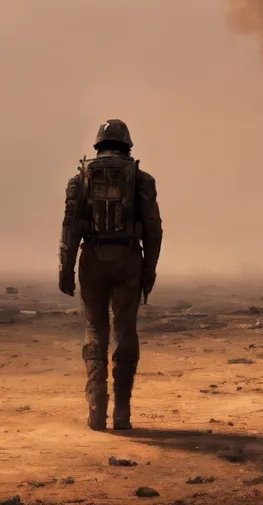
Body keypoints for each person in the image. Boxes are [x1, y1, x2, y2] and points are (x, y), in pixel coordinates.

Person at [58, 118, 163, 432]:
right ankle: (122, 412)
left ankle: (96, 406)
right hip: (129, 258)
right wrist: (149, 271)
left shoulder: (79, 180)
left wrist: (65, 267)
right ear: (127, 146)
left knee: (94, 329)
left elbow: (70, 228)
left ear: (98, 146)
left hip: (92, 258)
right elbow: (154, 231)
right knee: (125, 332)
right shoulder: (141, 179)